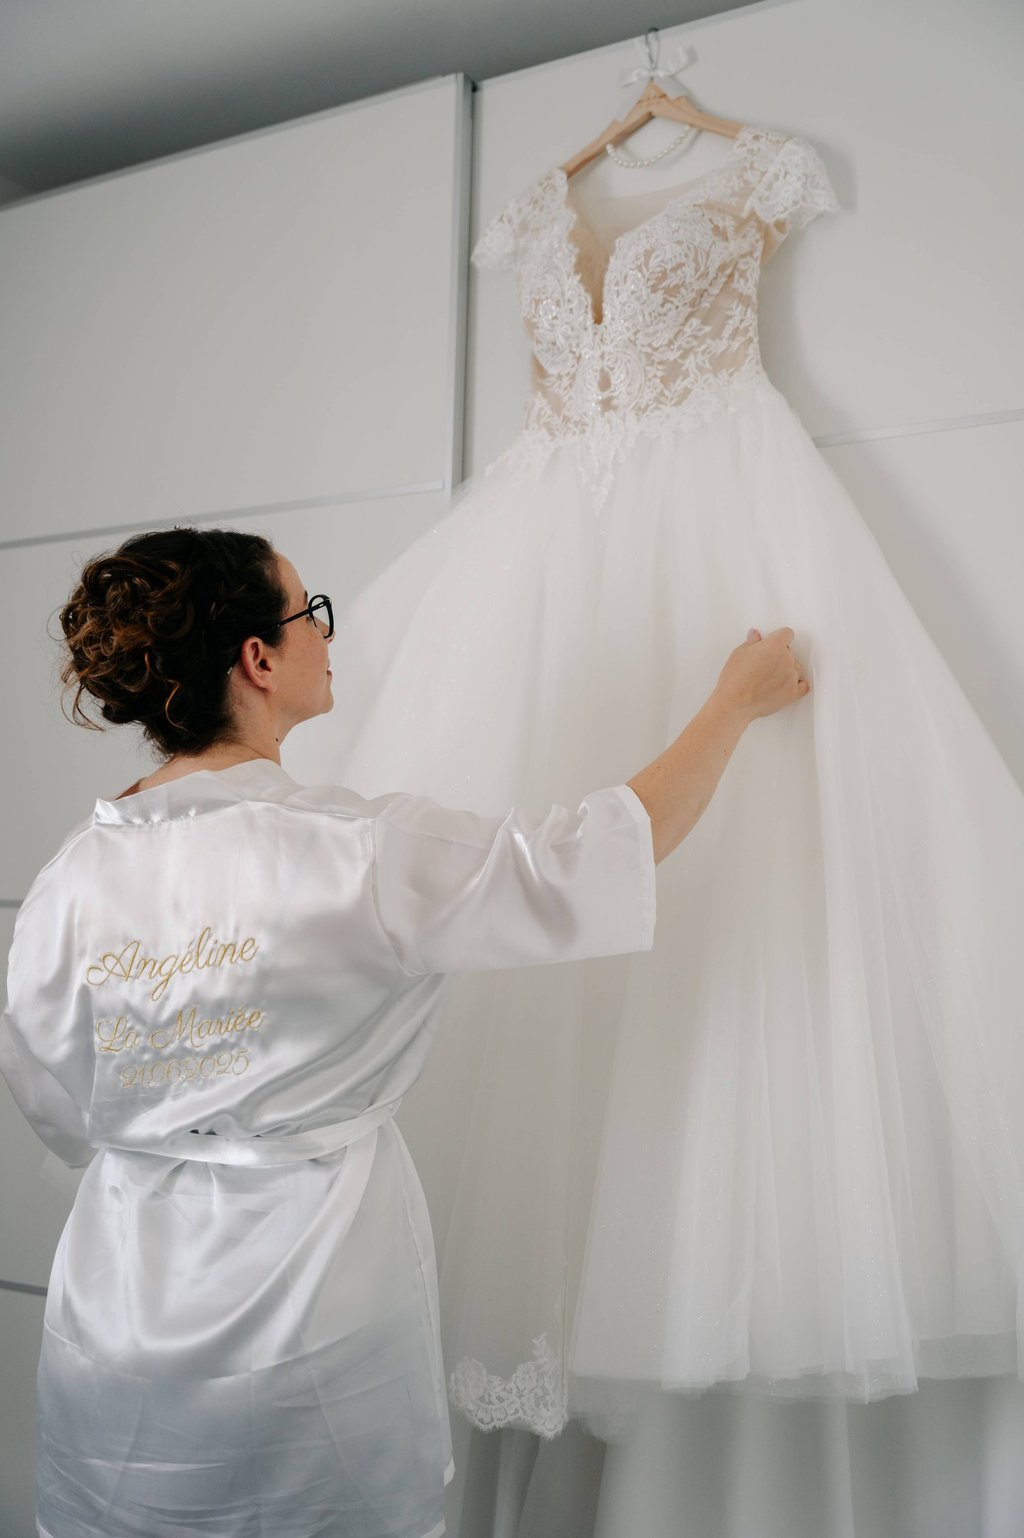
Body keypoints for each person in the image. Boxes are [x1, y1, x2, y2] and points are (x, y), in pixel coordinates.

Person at [0, 525, 808, 1538]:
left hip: (116, 1305)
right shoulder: (355, 851)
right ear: (258, 659)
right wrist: (734, 704)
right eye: (309, 614)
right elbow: (591, 857)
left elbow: (55, 1108)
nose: (327, 635)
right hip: (310, 1303)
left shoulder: (71, 875)